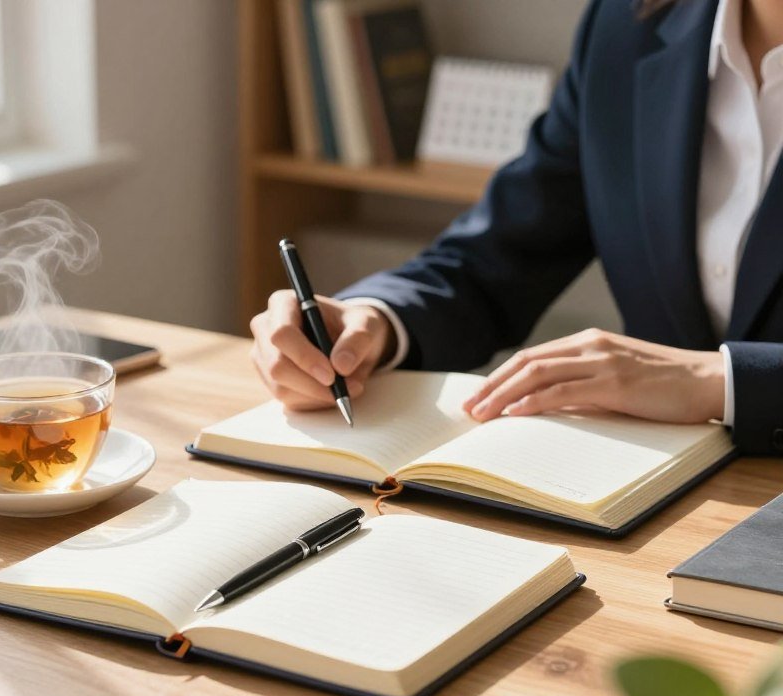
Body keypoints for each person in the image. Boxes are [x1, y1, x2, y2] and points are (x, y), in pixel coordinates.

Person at [250, 0, 783, 454]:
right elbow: (500, 253)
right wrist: (372, 322)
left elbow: (709, 376)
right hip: (657, 494)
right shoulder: (627, 23)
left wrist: (719, 382)